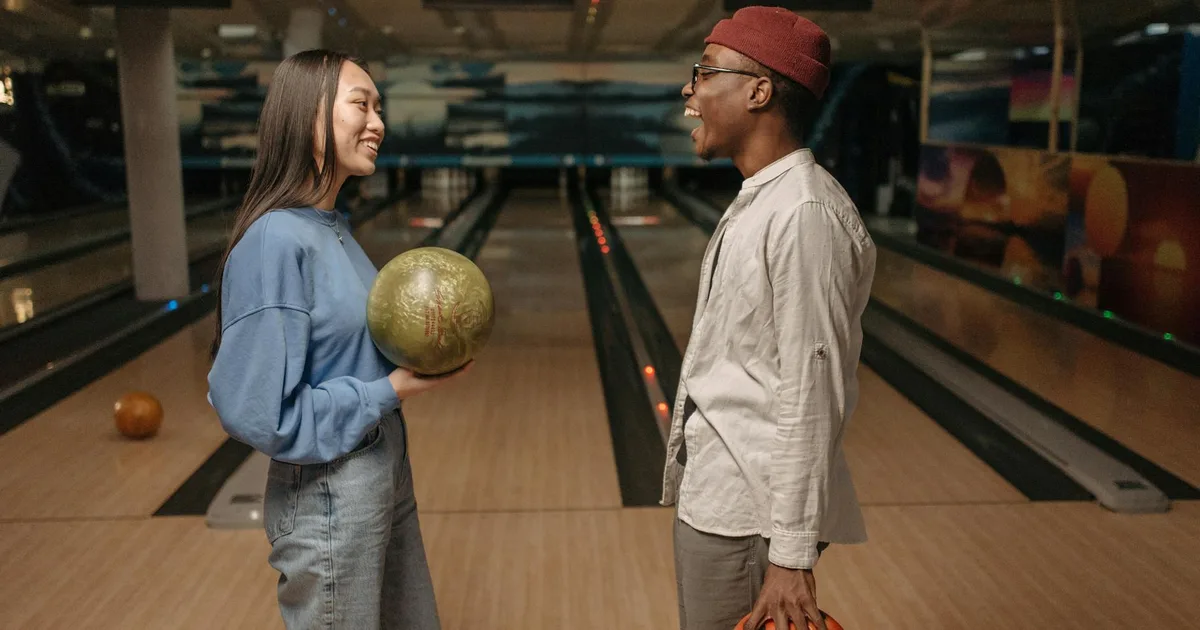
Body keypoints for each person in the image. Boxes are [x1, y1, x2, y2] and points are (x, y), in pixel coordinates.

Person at [207, 49, 466, 629]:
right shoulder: (276, 240)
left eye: (379, 108)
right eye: (361, 105)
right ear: (308, 117)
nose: (378, 123)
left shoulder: (329, 227)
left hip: (378, 466)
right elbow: (256, 412)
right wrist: (388, 391)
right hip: (330, 489)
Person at [661, 7, 875, 630]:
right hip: (724, 502)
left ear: (758, 92)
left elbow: (813, 390)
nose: (689, 90)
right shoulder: (766, 199)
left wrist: (790, 554)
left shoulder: (804, 215)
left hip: (749, 518)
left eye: (704, 72)